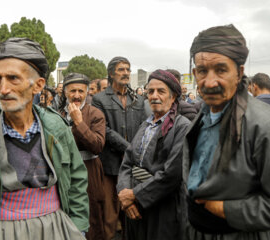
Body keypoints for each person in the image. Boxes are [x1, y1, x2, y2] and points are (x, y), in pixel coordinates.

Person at [0, 38, 89, 240]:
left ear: (38, 86)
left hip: (58, 229)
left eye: (13, 78)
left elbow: (77, 180)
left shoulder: (57, 127)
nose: (2, 89)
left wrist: (77, 228)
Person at [183, 24, 270, 240]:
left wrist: (226, 210)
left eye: (221, 70)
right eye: (202, 71)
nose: (210, 82)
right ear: (194, 74)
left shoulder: (267, 125)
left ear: (239, 73)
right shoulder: (202, 116)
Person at [117, 69, 190, 240]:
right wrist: (125, 196)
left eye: (161, 91)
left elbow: (172, 174)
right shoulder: (146, 124)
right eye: (150, 91)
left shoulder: (182, 127)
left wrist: (135, 195)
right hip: (134, 206)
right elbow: (127, 163)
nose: (154, 96)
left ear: (173, 97)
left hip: (163, 208)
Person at [92, 56, 146, 240]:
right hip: (109, 166)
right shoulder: (99, 99)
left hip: (133, 168)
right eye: (121, 69)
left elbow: (144, 127)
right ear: (111, 73)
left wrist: (133, 152)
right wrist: (128, 148)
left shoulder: (137, 100)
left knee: (132, 214)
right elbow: (103, 129)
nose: (125, 73)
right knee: (109, 216)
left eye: (128, 69)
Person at [60, 73, 106, 240]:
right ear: (65, 92)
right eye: (73, 91)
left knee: (91, 216)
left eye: (81, 91)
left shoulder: (95, 114)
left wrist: (79, 123)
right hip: (62, 172)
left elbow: (97, 146)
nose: (77, 95)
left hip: (89, 172)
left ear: (87, 92)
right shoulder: (57, 113)